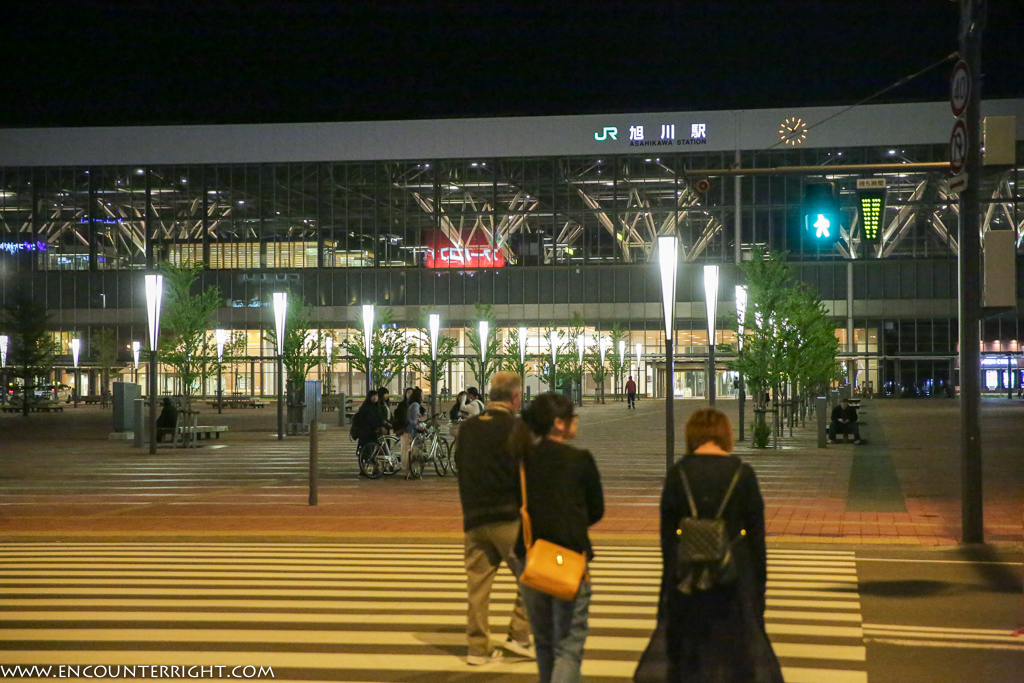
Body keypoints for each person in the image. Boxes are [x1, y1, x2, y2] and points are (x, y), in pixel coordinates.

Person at [656, 408, 782, 683]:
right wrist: (758, 592)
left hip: (688, 581)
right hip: (733, 581)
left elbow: (668, 543)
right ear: (726, 435)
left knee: (692, 663)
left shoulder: (678, 474)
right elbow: (757, 541)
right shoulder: (743, 475)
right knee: (733, 662)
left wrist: (667, 592)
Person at [517, 392, 604, 683]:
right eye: (571, 417)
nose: (575, 421)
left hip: (531, 556)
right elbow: (597, 509)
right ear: (559, 423)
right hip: (569, 557)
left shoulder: (523, 459)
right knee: (568, 645)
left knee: (543, 642)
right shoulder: (579, 460)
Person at [454, 372, 533, 665]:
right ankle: (519, 636)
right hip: (508, 517)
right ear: (515, 398)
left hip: (474, 517)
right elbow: (529, 472)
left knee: (478, 586)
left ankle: (477, 648)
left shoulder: (469, 429)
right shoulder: (518, 427)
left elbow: (460, 467)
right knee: (532, 578)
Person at [353, 391, 385, 475]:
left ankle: (374, 469)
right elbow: (369, 420)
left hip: (372, 432)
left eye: (376, 396)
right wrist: (377, 427)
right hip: (366, 433)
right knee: (365, 452)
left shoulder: (376, 407)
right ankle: (363, 470)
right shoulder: (366, 407)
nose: (375, 398)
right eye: (373, 396)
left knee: (374, 451)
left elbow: (378, 418)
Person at [401, 387, 425, 479]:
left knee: (409, 451)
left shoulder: (412, 404)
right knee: (411, 452)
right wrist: (420, 427)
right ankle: (409, 472)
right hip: (411, 431)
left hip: (409, 430)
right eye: (422, 395)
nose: (423, 396)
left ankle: (409, 472)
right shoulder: (415, 405)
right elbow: (413, 421)